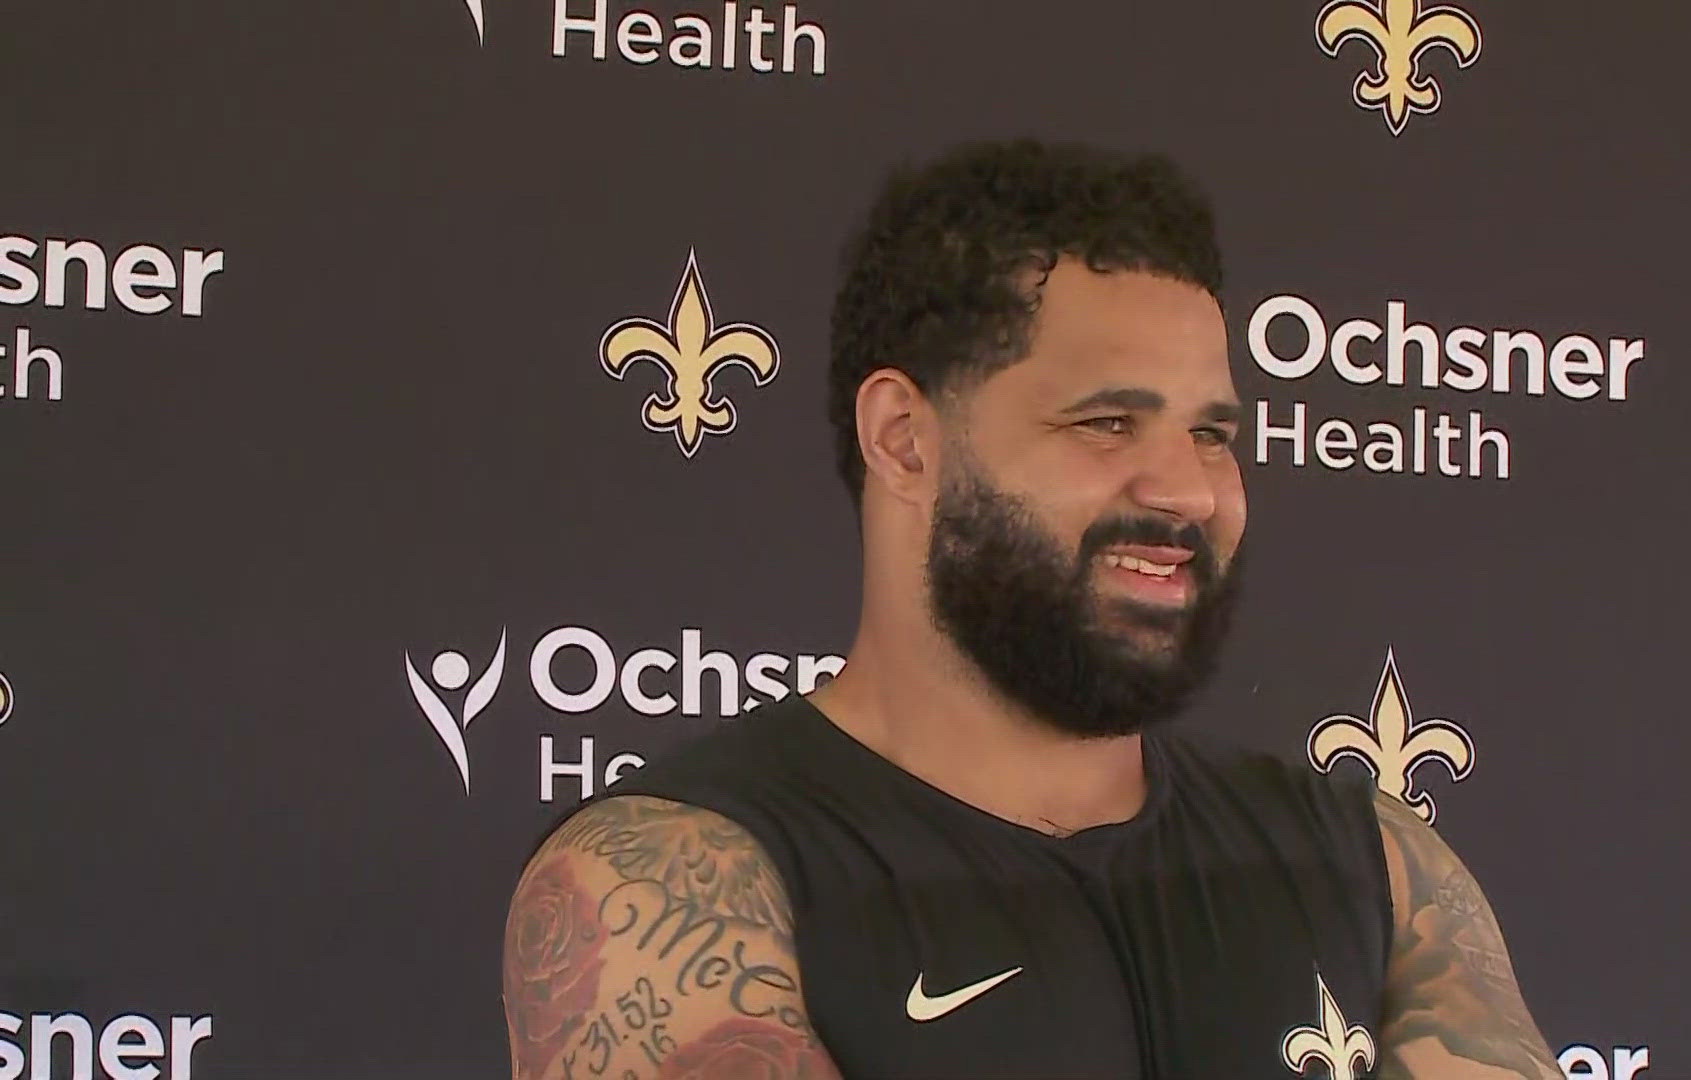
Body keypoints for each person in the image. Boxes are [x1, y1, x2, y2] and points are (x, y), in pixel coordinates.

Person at [503, 139, 1559, 1080]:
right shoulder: (671, 886)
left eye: (1211, 434)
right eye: (1107, 423)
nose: (1188, 491)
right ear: (906, 440)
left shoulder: (1371, 861)